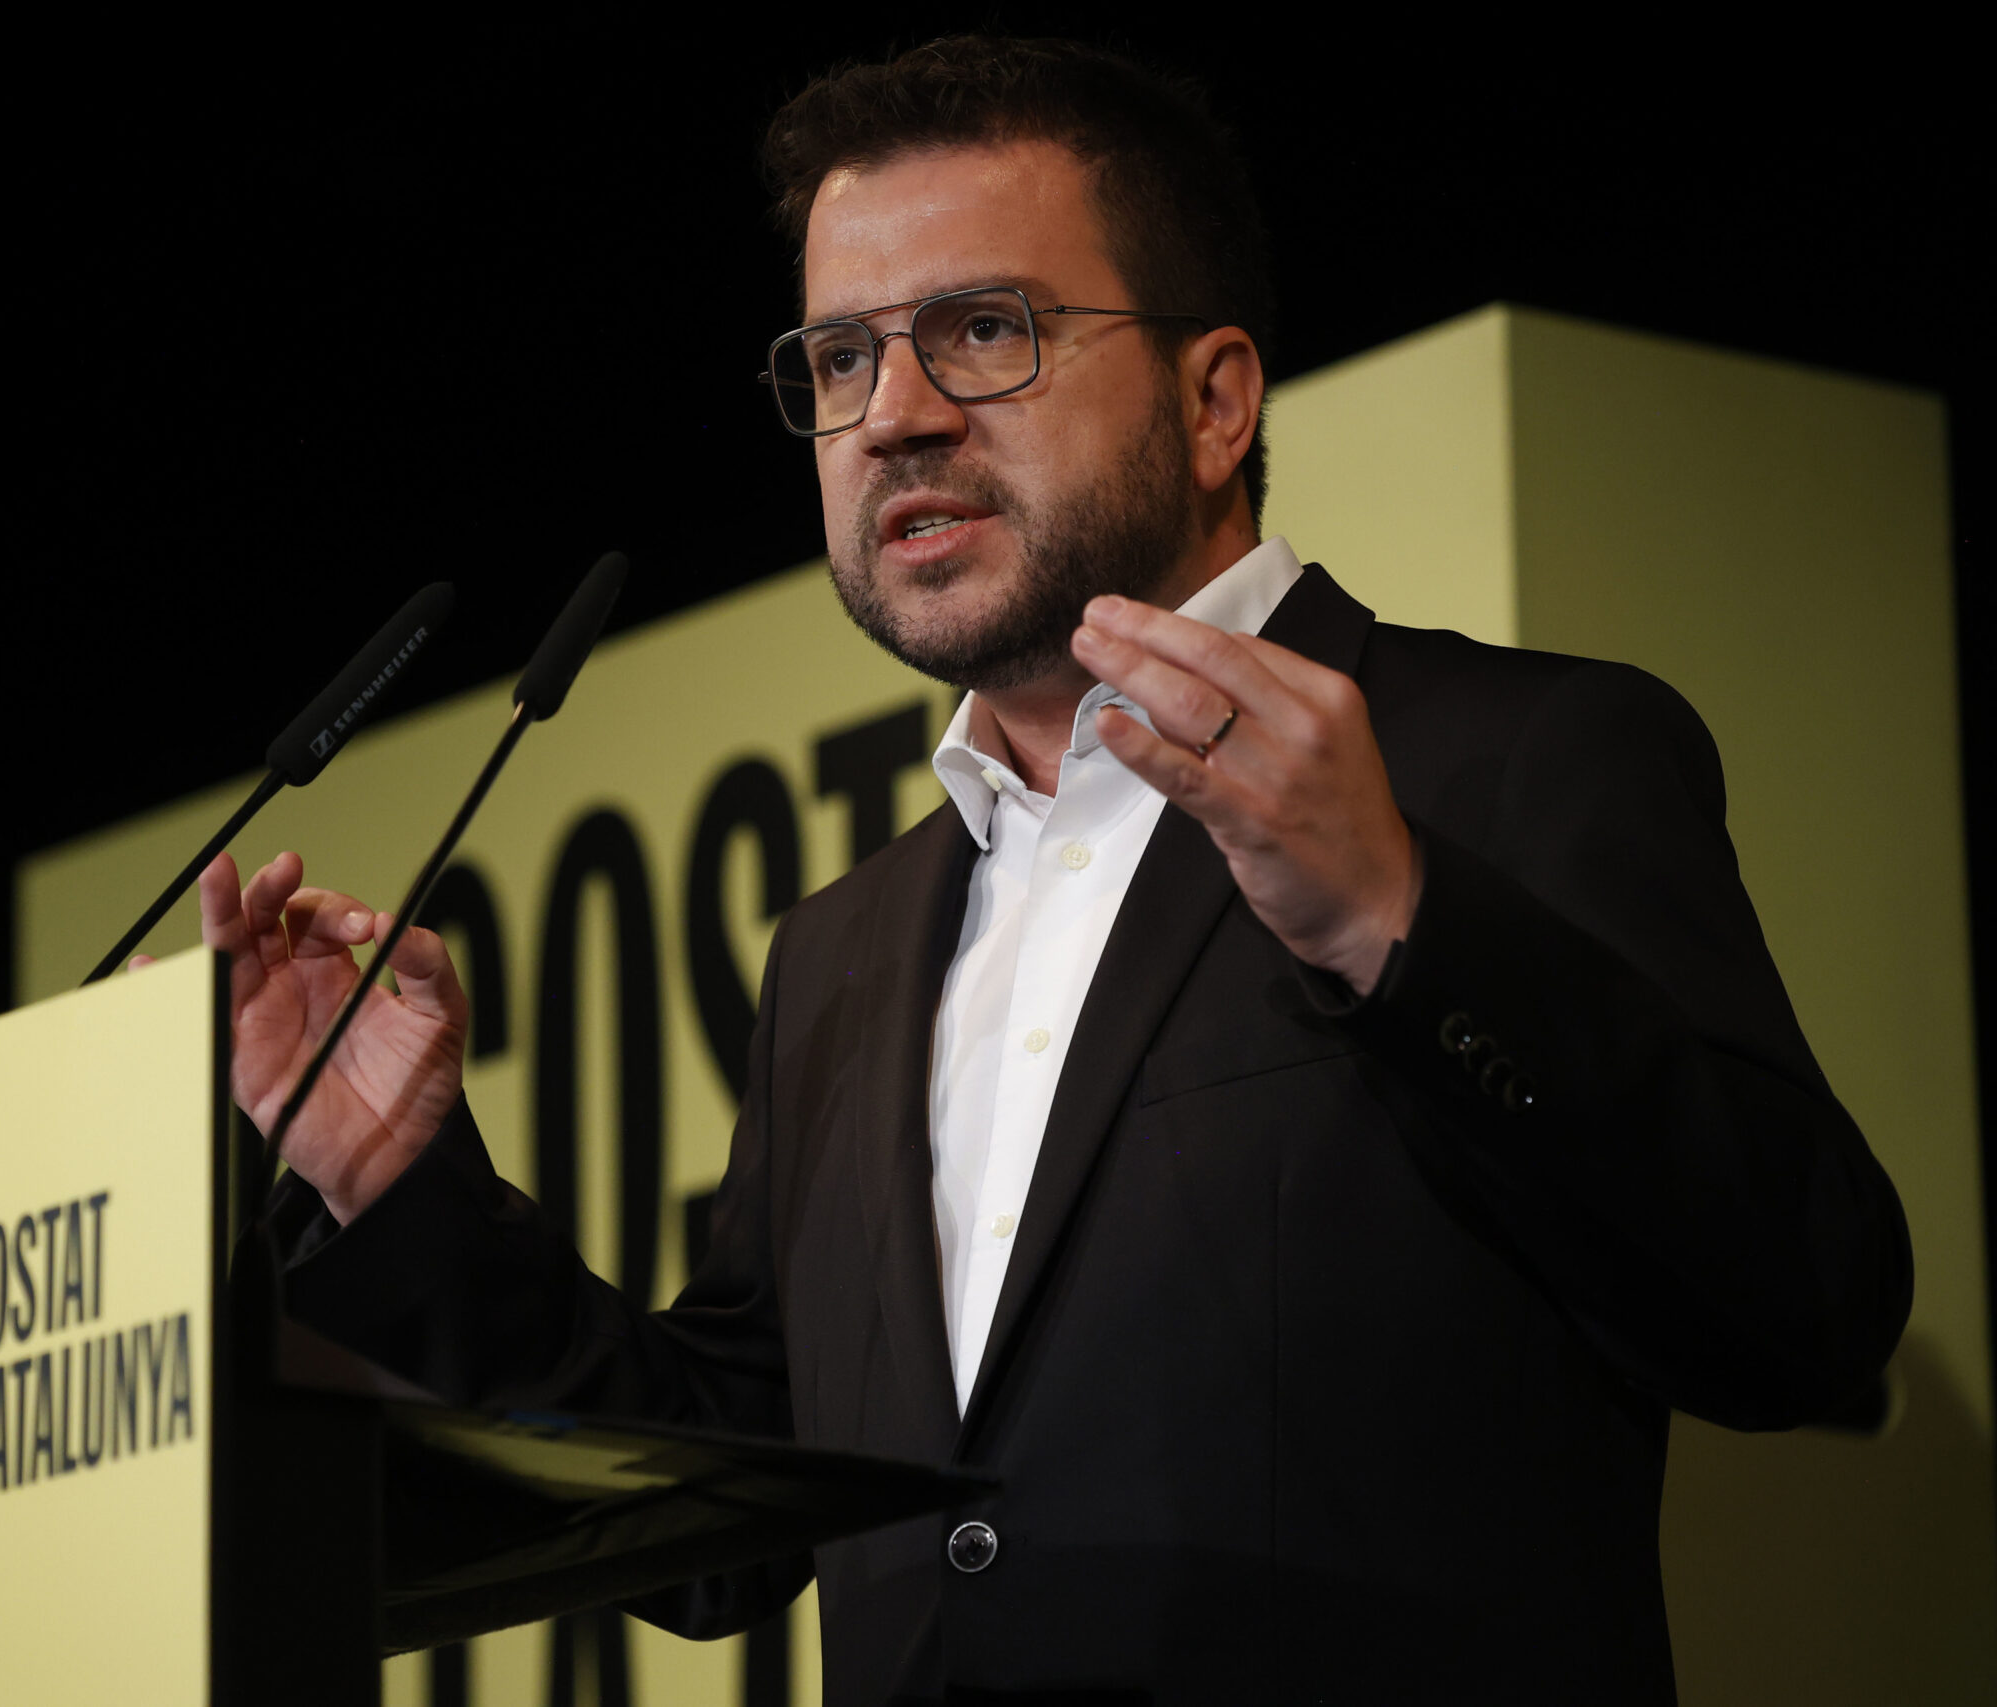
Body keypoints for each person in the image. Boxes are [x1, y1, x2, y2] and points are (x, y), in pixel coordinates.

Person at [188, 38, 1912, 1705]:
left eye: (983, 330)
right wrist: (395, 1182)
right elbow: (726, 1516)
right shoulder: (841, 949)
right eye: (840, 358)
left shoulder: (1511, 759)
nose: (893, 418)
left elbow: (1803, 1311)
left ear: (1215, 399)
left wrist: (1404, 927)